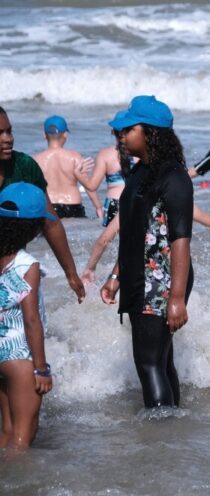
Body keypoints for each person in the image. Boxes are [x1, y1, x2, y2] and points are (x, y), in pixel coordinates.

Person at [99, 96, 194, 409]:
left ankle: (159, 430)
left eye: (129, 129)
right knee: (161, 361)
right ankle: (172, 425)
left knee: (149, 362)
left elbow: (181, 239)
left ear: (150, 132)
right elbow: (134, 232)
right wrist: (116, 275)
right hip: (140, 275)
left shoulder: (174, 176)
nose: (122, 135)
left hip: (162, 279)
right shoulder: (140, 171)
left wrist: (176, 297)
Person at [0, 106, 85, 303]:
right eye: (0, 133)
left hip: (12, 270)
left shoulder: (24, 166)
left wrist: (71, 273)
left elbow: (51, 222)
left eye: (9, 131)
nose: (8, 138)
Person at [0, 183, 54, 449]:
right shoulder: (27, 265)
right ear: (34, 227)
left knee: (6, 432)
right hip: (20, 360)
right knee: (22, 439)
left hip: (1, 354)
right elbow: (31, 320)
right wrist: (41, 368)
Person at [80, 205, 210, 286]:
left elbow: (104, 239)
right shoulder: (179, 199)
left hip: (137, 271)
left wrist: (90, 268)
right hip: (174, 272)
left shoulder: (133, 200)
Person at [31, 115, 101, 219]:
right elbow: (88, 186)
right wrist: (98, 207)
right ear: (65, 135)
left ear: (44, 135)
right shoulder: (75, 157)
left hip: (48, 205)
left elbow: (32, 188)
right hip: (73, 203)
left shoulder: (36, 160)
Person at [75, 126, 128, 226]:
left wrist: (78, 173)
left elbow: (92, 186)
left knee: (112, 235)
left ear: (113, 132)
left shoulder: (105, 154)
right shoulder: (140, 153)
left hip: (114, 202)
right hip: (135, 201)